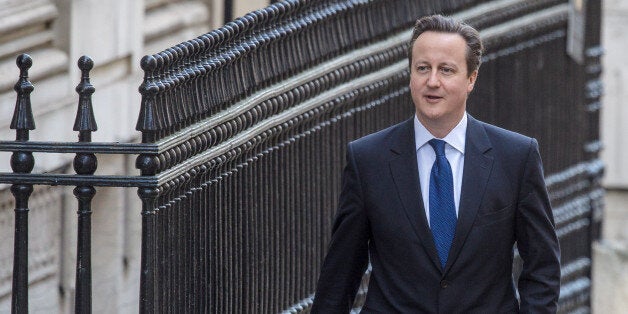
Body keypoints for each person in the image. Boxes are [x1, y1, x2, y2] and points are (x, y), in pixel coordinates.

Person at [310, 14, 561, 313]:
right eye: (422, 68)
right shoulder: (368, 159)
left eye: (446, 70)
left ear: (471, 78)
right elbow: (340, 274)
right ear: (410, 75)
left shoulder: (516, 157)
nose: (432, 81)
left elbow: (542, 266)